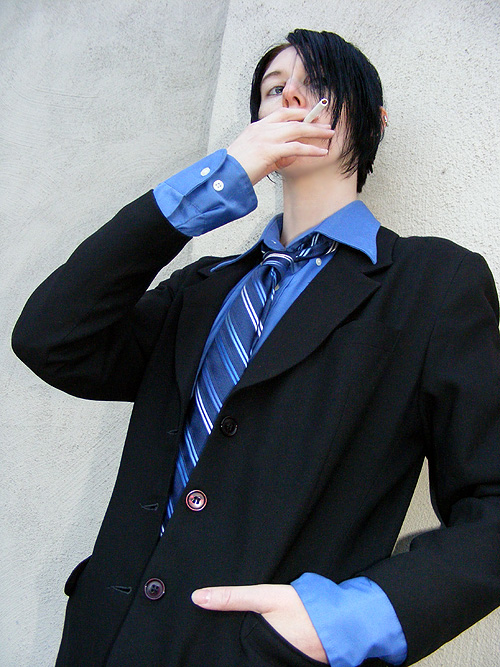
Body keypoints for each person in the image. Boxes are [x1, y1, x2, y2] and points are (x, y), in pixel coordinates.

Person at [12, 28, 500, 667]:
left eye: (317, 85)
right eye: (274, 89)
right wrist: (213, 184)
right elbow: (53, 339)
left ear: (374, 120)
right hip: (106, 643)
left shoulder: (430, 284)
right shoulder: (203, 289)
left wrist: (343, 622)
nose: (291, 97)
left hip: (261, 654)